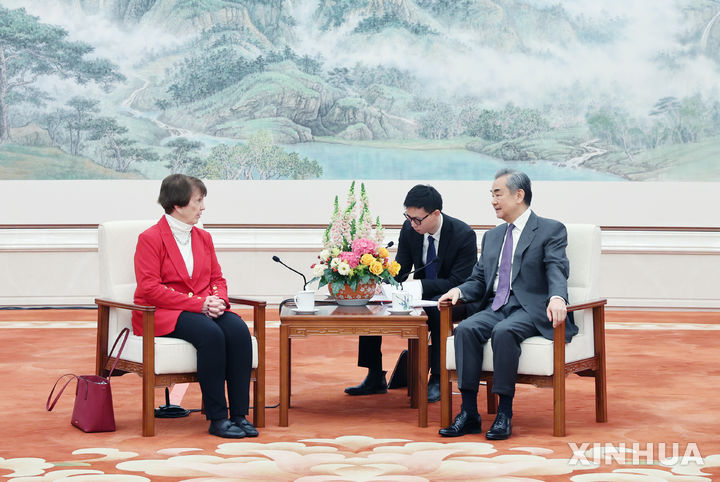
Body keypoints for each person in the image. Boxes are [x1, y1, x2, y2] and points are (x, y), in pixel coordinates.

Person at [438, 169, 577, 440]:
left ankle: (504, 413)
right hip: (496, 305)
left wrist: (558, 297)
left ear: (519, 195)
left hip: (530, 307)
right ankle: (469, 413)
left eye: (498, 193)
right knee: (465, 329)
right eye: (491, 194)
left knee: (504, 333)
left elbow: (556, 268)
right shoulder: (492, 236)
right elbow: (479, 278)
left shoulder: (550, 229)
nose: (493, 200)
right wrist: (458, 290)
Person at [133, 174, 257, 439]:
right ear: (178, 205)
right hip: (161, 313)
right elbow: (150, 289)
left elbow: (217, 278)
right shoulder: (150, 238)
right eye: (198, 201)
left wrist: (219, 301)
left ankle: (239, 415)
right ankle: (217, 417)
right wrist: (199, 304)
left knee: (238, 330)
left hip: (201, 307)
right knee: (211, 334)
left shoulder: (203, 237)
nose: (203, 208)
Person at [345, 184, 478, 403]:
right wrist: (381, 285)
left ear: (435, 213)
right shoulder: (409, 230)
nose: (412, 224)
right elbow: (402, 268)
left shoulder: (463, 234)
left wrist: (417, 287)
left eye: (418, 219)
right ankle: (374, 375)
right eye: (408, 217)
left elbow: (459, 281)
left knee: (436, 307)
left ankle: (437, 378)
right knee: (374, 303)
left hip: (456, 297)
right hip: (421, 295)